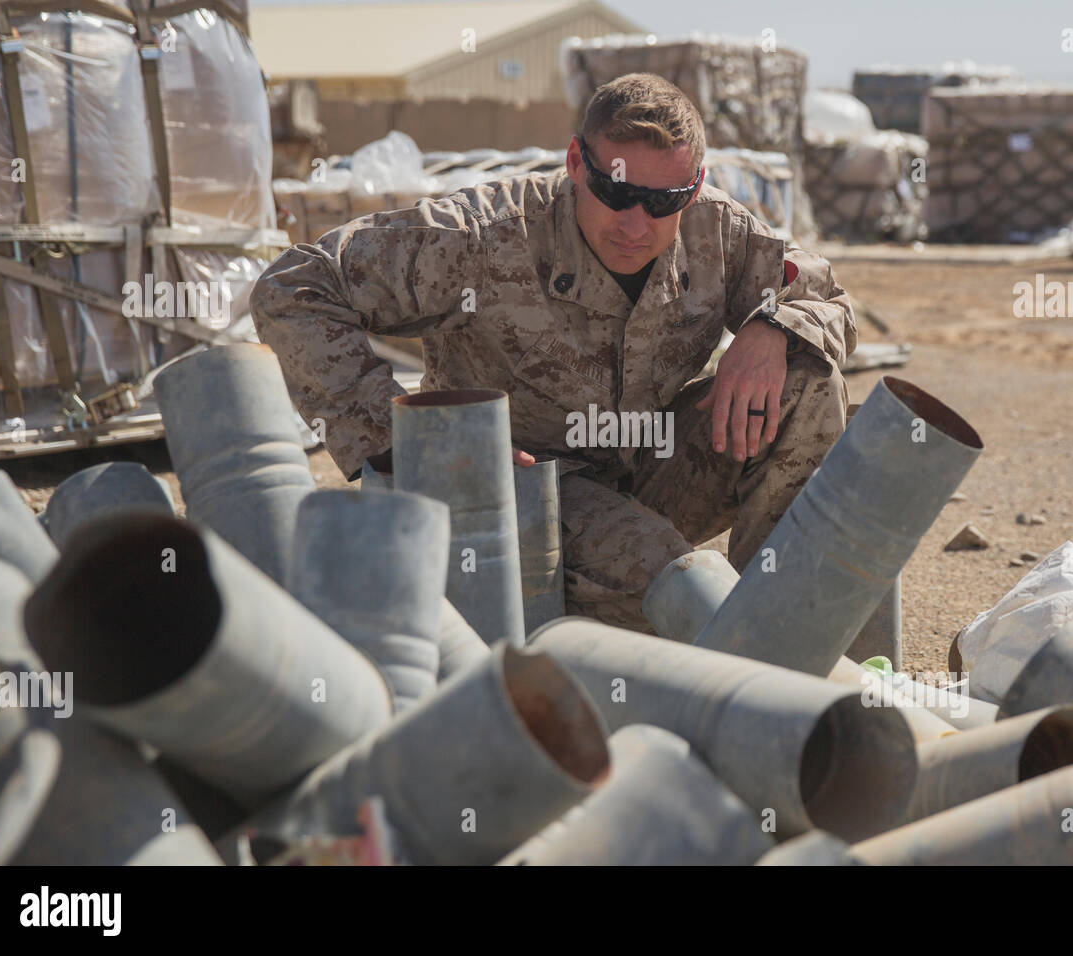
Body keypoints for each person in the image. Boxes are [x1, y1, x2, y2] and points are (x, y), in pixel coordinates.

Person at [251, 72, 858, 631]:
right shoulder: (482, 236)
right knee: (673, 589)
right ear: (576, 163)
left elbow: (825, 294)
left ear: (693, 188)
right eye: (615, 192)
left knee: (807, 375)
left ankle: (789, 626)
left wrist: (773, 326)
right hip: (517, 497)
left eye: (663, 202)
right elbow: (295, 286)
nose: (636, 224)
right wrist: (409, 440)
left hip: (647, 464)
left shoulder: (716, 232)